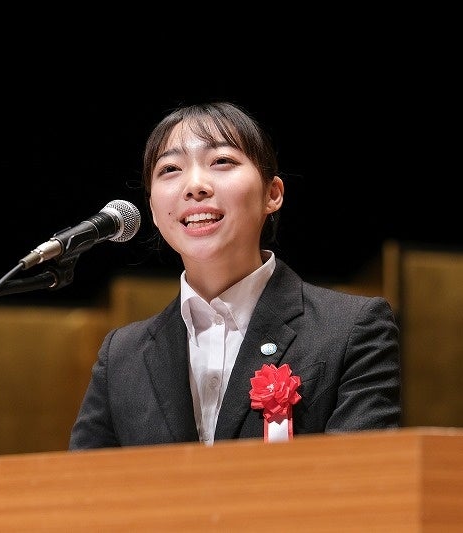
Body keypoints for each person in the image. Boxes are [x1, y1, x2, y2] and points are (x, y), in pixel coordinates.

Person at [68, 101, 400, 449]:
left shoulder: (352, 329)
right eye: (170, 169)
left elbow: (363, 483)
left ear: (272, 194)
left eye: (221, 161)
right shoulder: (122, 355)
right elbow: (84, 491)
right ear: (152, 208)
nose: (195, 186)